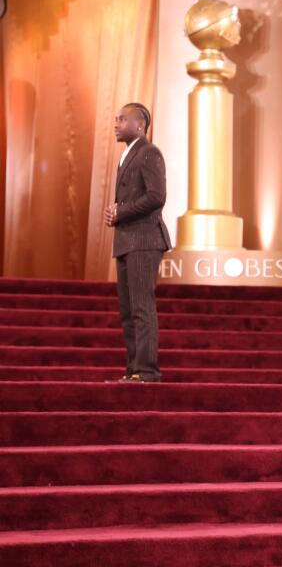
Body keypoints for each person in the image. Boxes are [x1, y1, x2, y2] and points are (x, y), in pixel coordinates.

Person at [104, 103, 171, 383]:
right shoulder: (127, 155)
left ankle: (147, 371)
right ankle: (133, 370)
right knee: (128, 310)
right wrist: (117, 214)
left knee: (142, 306)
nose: (116, 123)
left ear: (139, 125)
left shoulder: (149, 152)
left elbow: (157, 197)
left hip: (144, 239)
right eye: (116, 119)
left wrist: (121, 211)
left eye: (122, 119)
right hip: (126, 240)